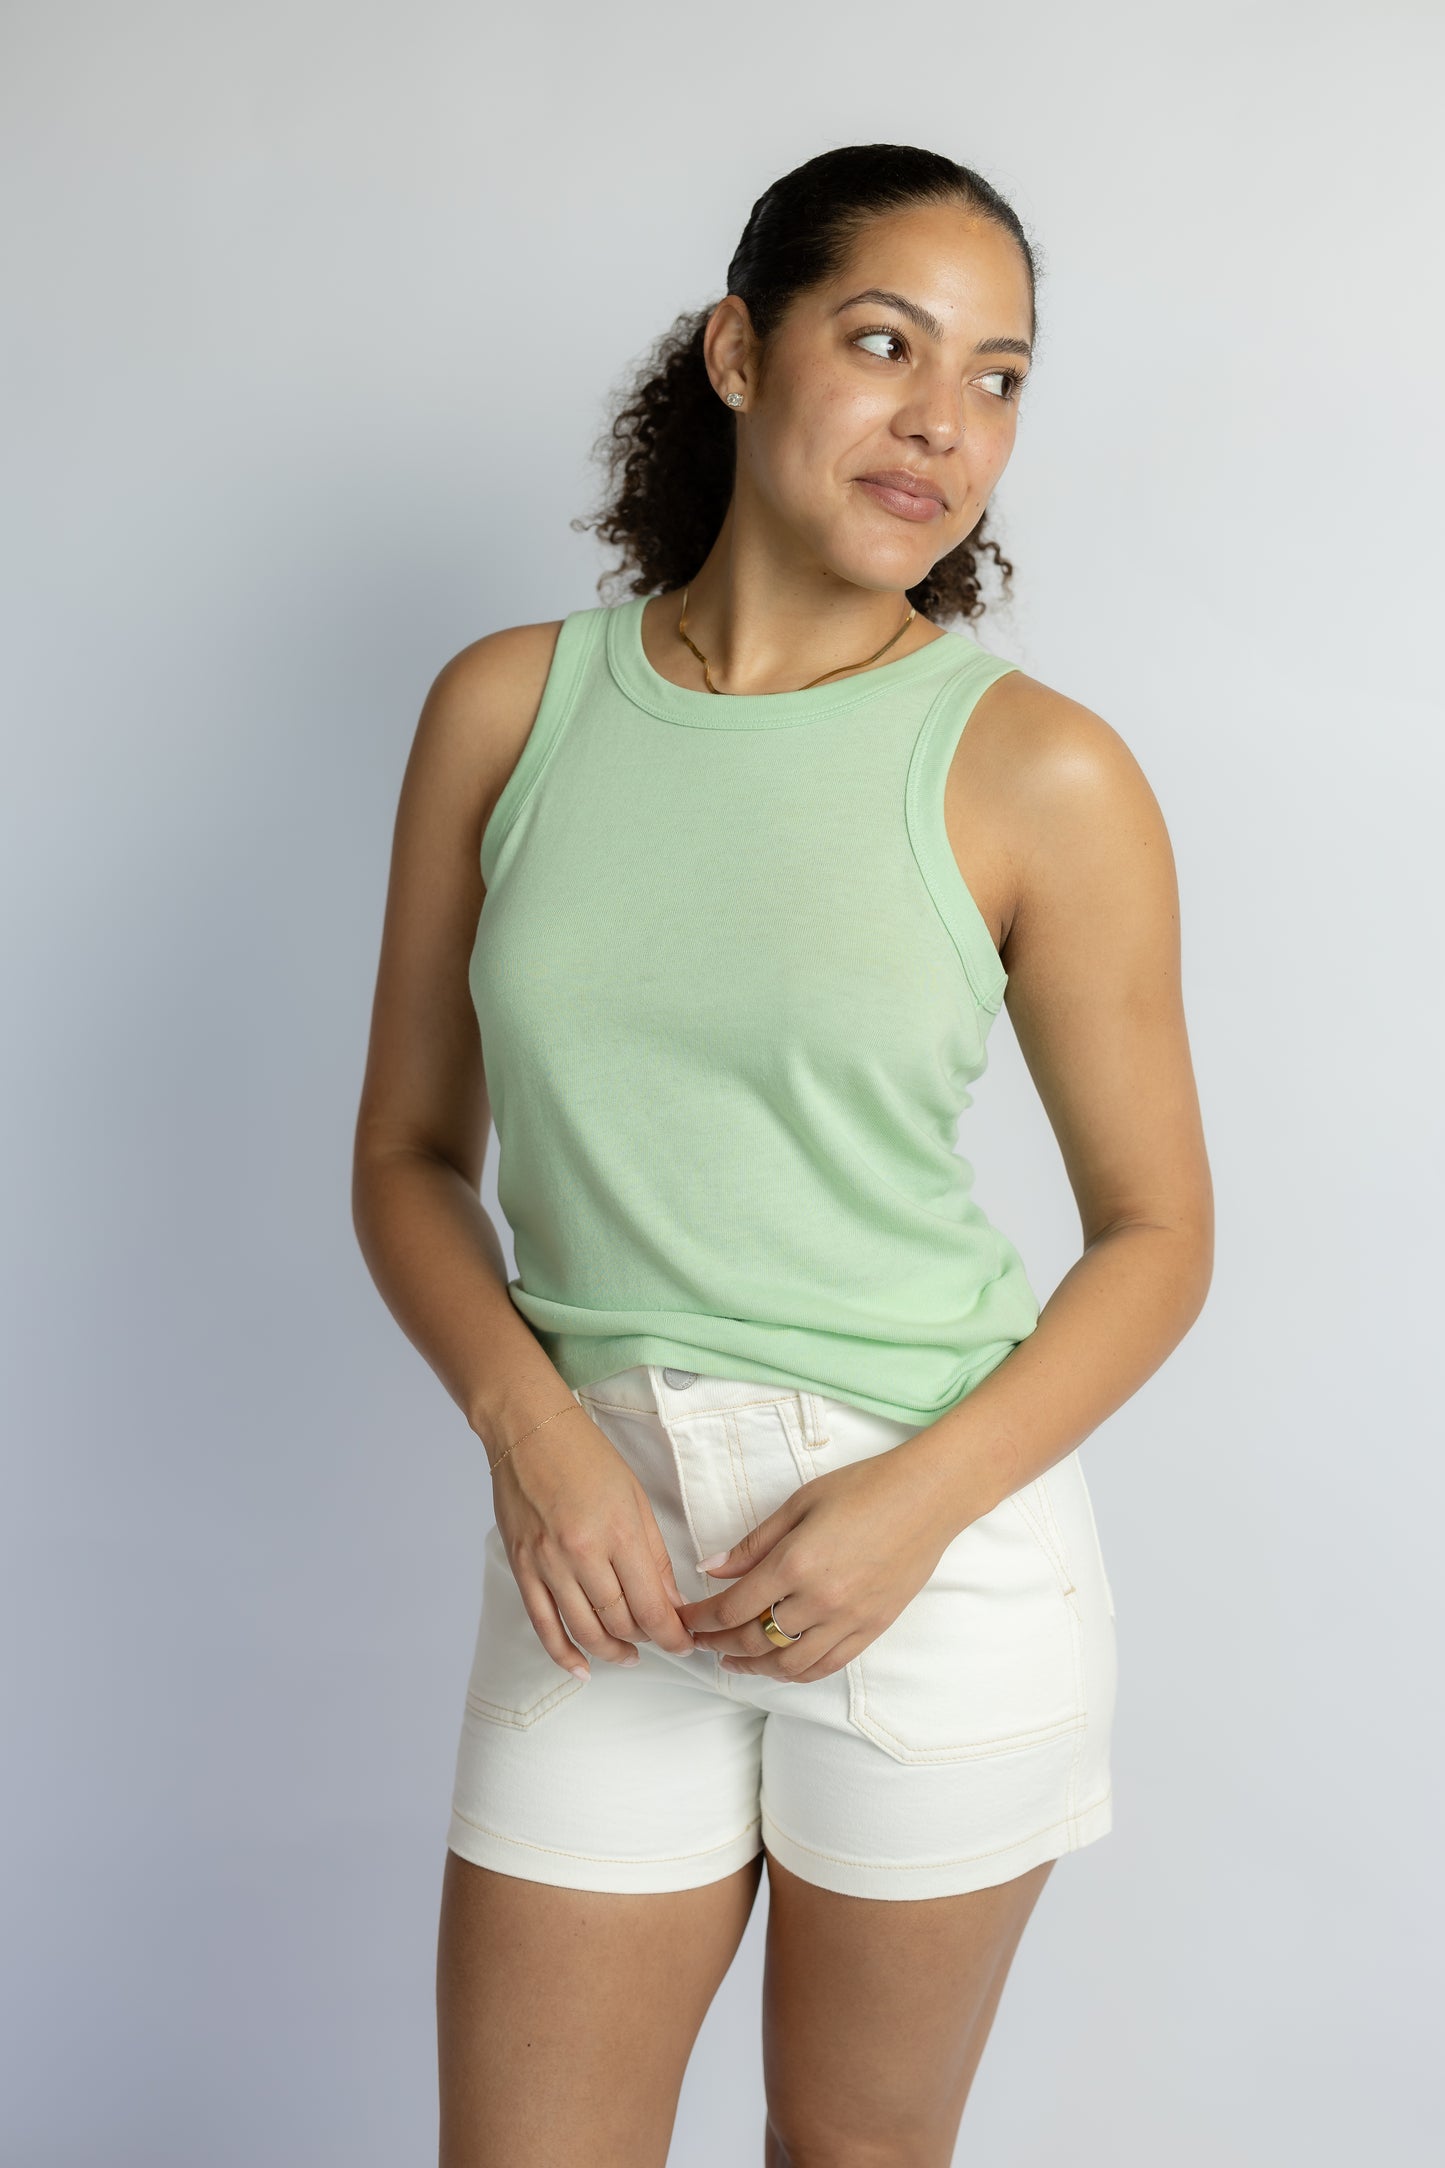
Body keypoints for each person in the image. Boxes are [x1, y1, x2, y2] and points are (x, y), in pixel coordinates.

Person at [352, 141, 1213, 2168]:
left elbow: (1159, 1233)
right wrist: (535, 1435)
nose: (945, 418)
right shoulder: (509, 710)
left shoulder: (1040, 768)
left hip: (931, 1556)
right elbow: (403, 1150)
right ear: (740, 351)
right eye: (886, 341)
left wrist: (910, 1508)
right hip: (601, 1556)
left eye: (1000, 376)